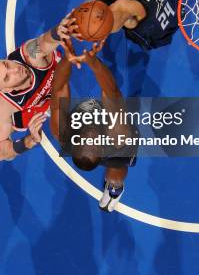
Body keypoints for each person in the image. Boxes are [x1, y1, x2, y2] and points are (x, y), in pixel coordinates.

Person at [50, 39, 137, 212]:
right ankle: (115, 189)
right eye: (94, 142)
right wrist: (93, 62)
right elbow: (111, 91)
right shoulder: (117, 139)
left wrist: (68, 58)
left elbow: (59, 89)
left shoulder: (62, 133)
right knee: (116, 174)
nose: (90, 135)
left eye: (85, 141)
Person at [0, 15, 71, 161]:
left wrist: (57, 32)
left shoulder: (29, 54)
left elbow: (44, 42)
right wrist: (29, 141)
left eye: (7, 64)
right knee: (64, 135)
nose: (15, 70)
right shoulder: (2, 105)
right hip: (31, 107)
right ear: (5, 90)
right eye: (7, 78)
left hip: (54, 80)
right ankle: (3, 124)